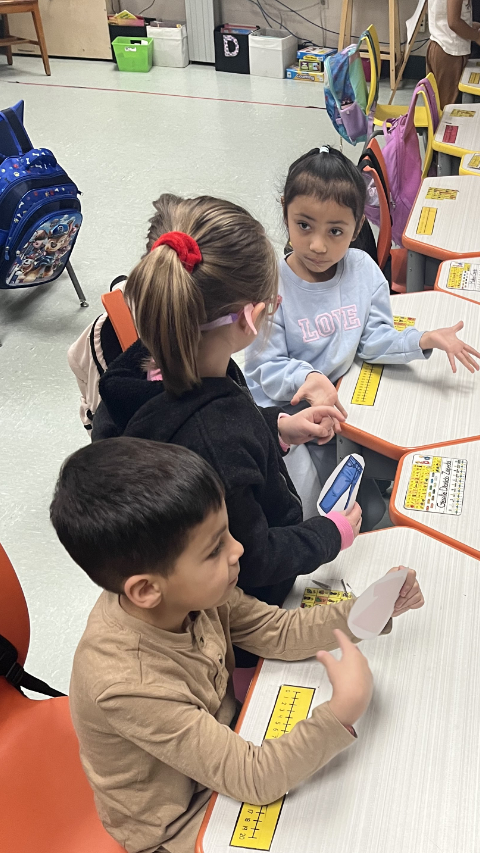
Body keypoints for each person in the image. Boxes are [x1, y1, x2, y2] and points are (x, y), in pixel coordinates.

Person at [52, 437, 458, 853]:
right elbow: (252, 779)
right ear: (145, 588)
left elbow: (271, 628)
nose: (240, 549)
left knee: (350, 787)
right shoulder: (124, 679)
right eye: (216, 548)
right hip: (173, 814)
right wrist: (342, 711)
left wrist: (365, 612)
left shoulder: (193, 596)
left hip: (218, 748)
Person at [92, 194, 355, 610]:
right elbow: (254, 559)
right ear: (247, 318)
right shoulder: (215, 435)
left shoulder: (151, 369)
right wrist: (329, 534)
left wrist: (278, 428)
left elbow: (214, 433)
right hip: (252, 605)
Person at [244, 147, 480, 500]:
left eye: (335, 231)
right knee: (333, 508)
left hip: (337, 402)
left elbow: (373, 340)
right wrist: (310, 380)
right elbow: (266, 368)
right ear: (285, 211)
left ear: (357, 228)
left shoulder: (363, 271)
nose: (318, 245)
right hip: (282, 416)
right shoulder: (271, 284)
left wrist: (424, 340)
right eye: (304, 225)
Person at [426, 0, 480, 107]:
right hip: (450, 51)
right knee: (447, 108)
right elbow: (454, 22)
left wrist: (468, 26)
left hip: (439, 43)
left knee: (436, 104)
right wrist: (478, 37)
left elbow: (445, 13)